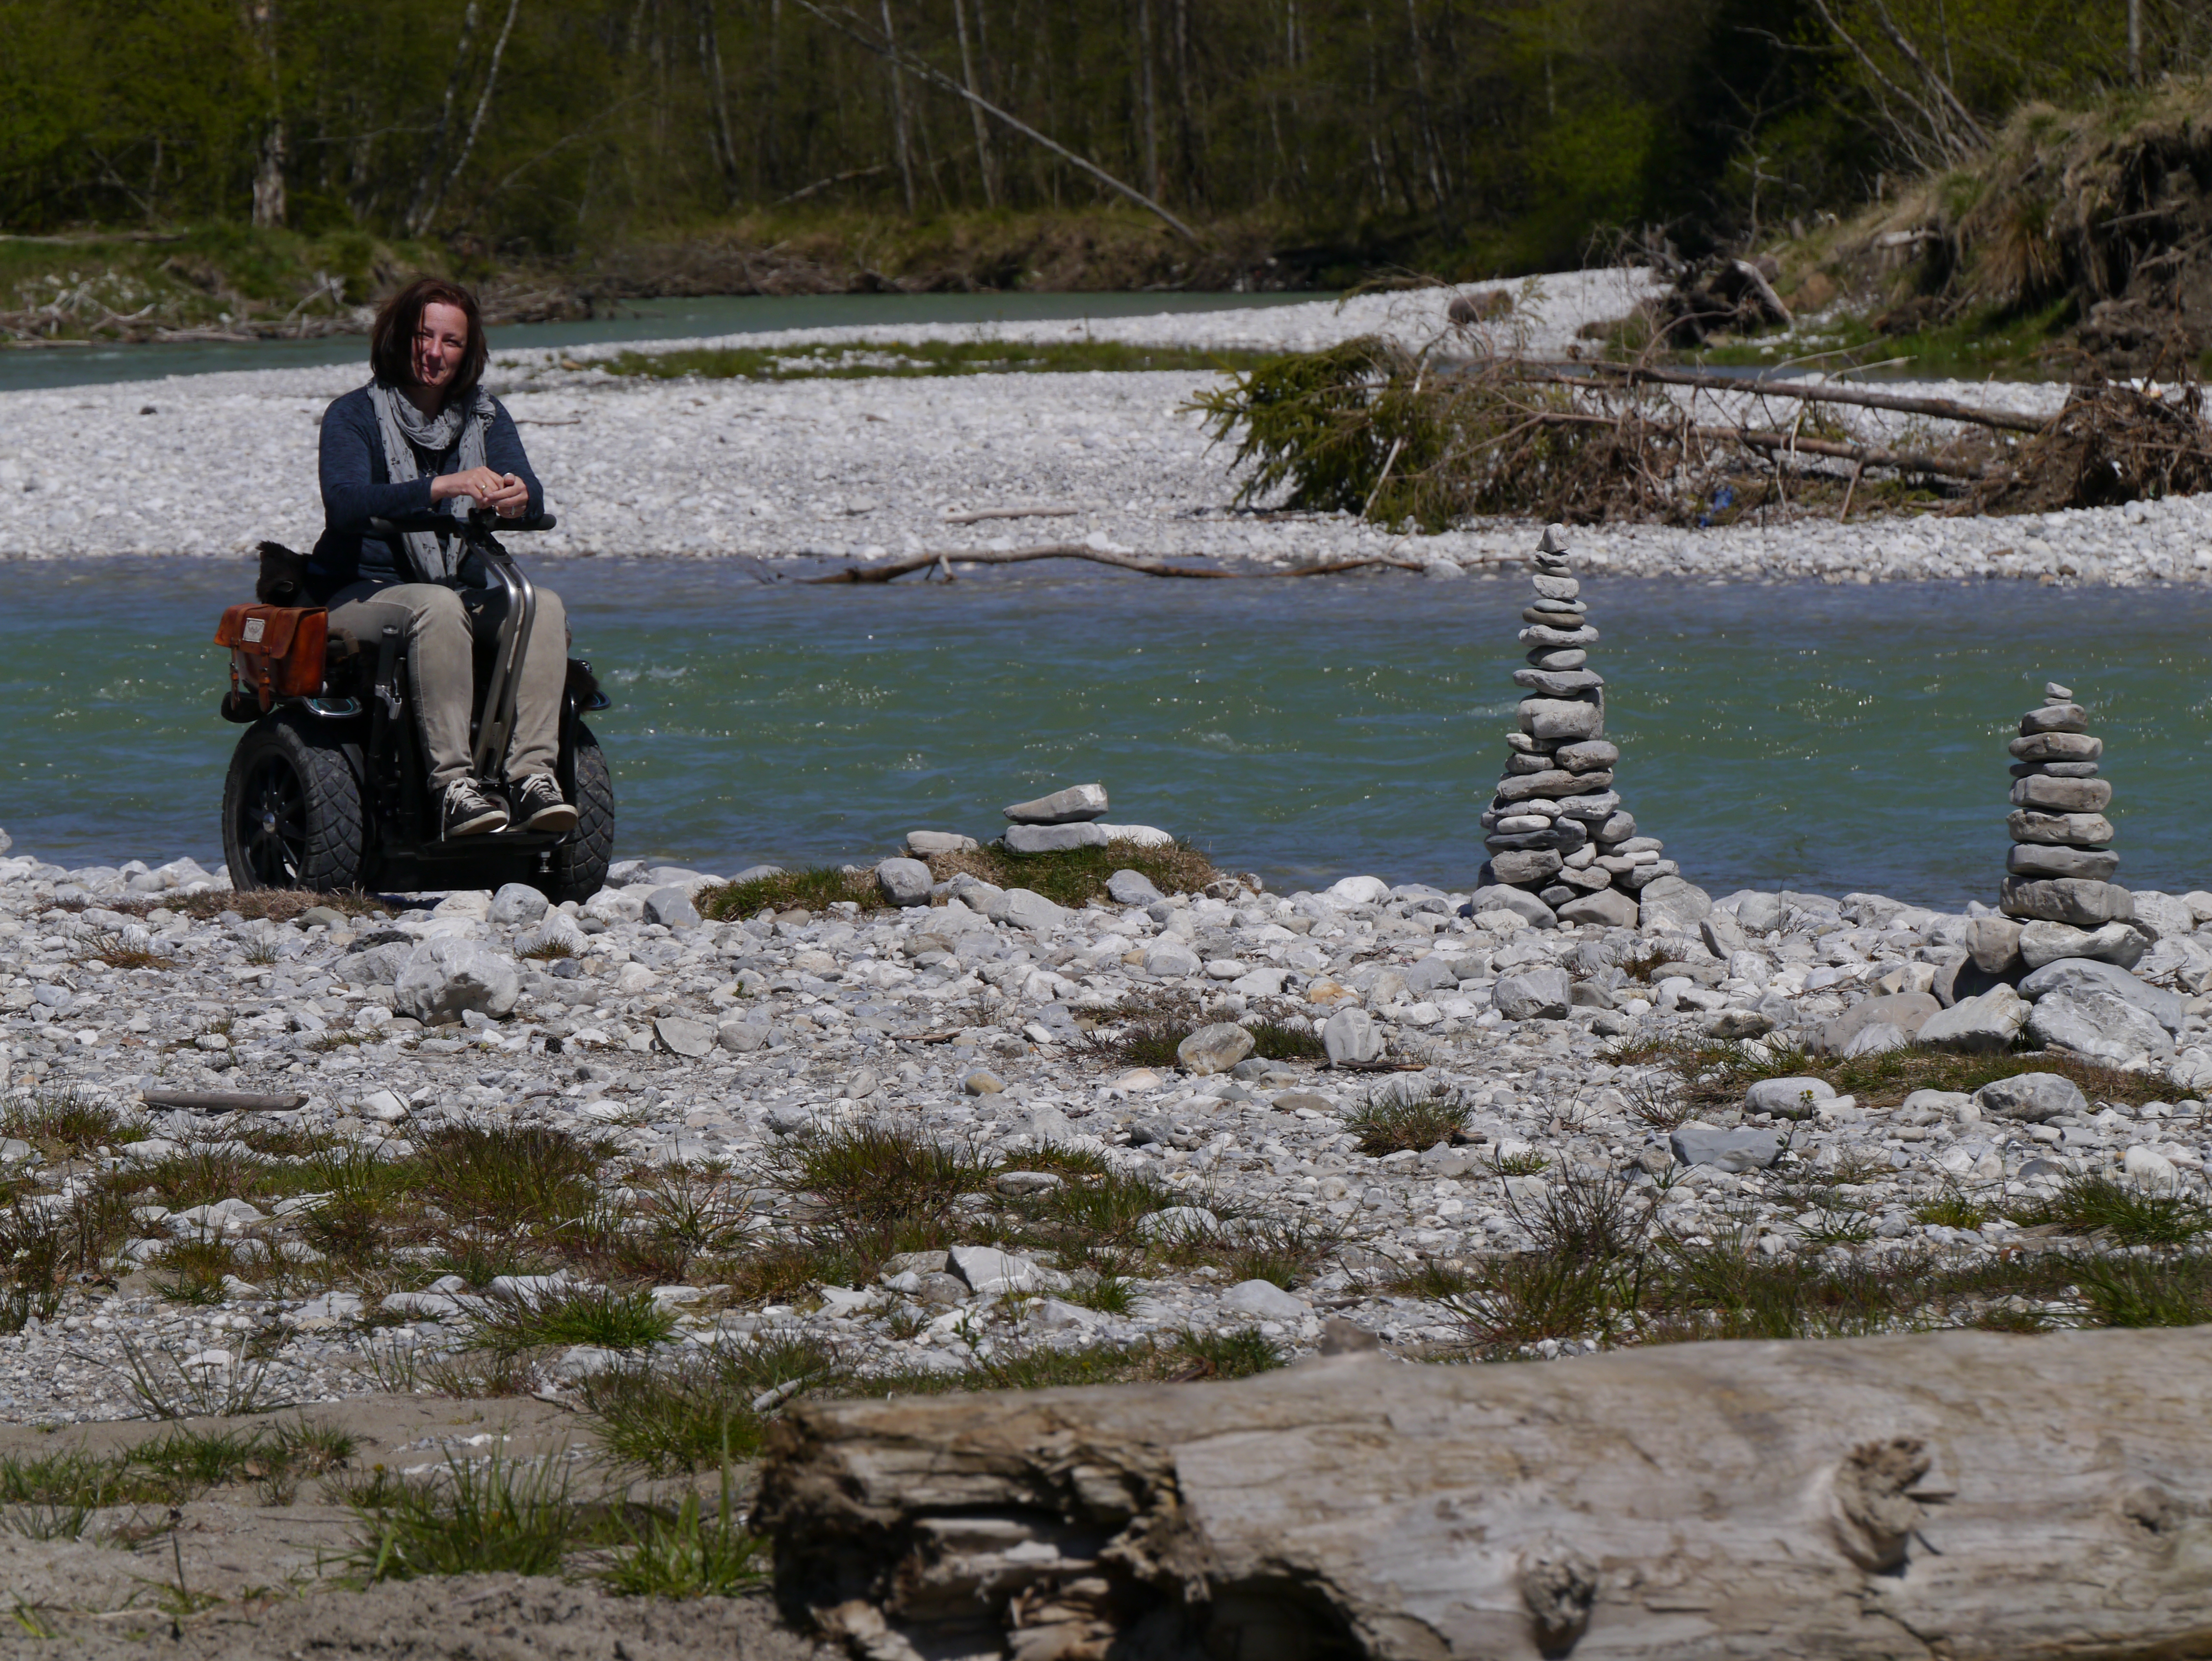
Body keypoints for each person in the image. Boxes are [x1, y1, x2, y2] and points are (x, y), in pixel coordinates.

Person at [311, 277, 577, 840]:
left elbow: (525, 485)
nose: (434, 352)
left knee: (540, 604)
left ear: (468, 351)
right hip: (361, 591)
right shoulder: (353, 414)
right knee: (435, 606)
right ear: (398, 337)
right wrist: (440, 487)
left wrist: (519, 496)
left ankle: (533, 777)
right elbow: (345, 503)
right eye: (421, 336)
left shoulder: (484, 415)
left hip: (456, 588)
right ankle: (453, 787)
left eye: (450, 342)